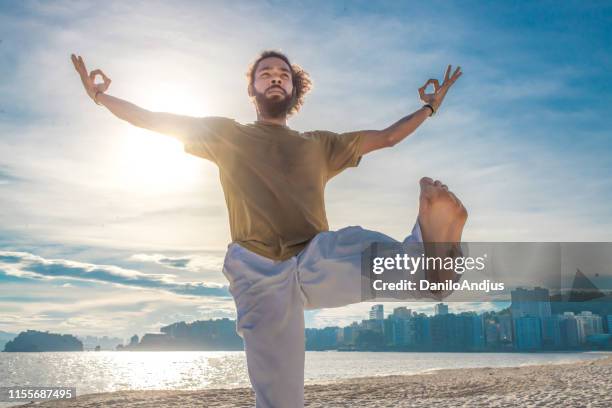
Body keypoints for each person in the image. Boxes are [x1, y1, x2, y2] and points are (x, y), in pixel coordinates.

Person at [71, 50, 466, 408]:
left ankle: (429, 260)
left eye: (282, 74)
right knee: (279, 396)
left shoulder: (320, 144)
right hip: (257, 272)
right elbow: (154, 120)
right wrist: (100, 97)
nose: (275, 78)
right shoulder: (226, 135)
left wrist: (429, 108)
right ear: (252, 89)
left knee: (359, 245)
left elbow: (387, 137)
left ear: (295, 89)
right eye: (265, 74)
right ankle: (425, 262)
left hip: (314, 257)